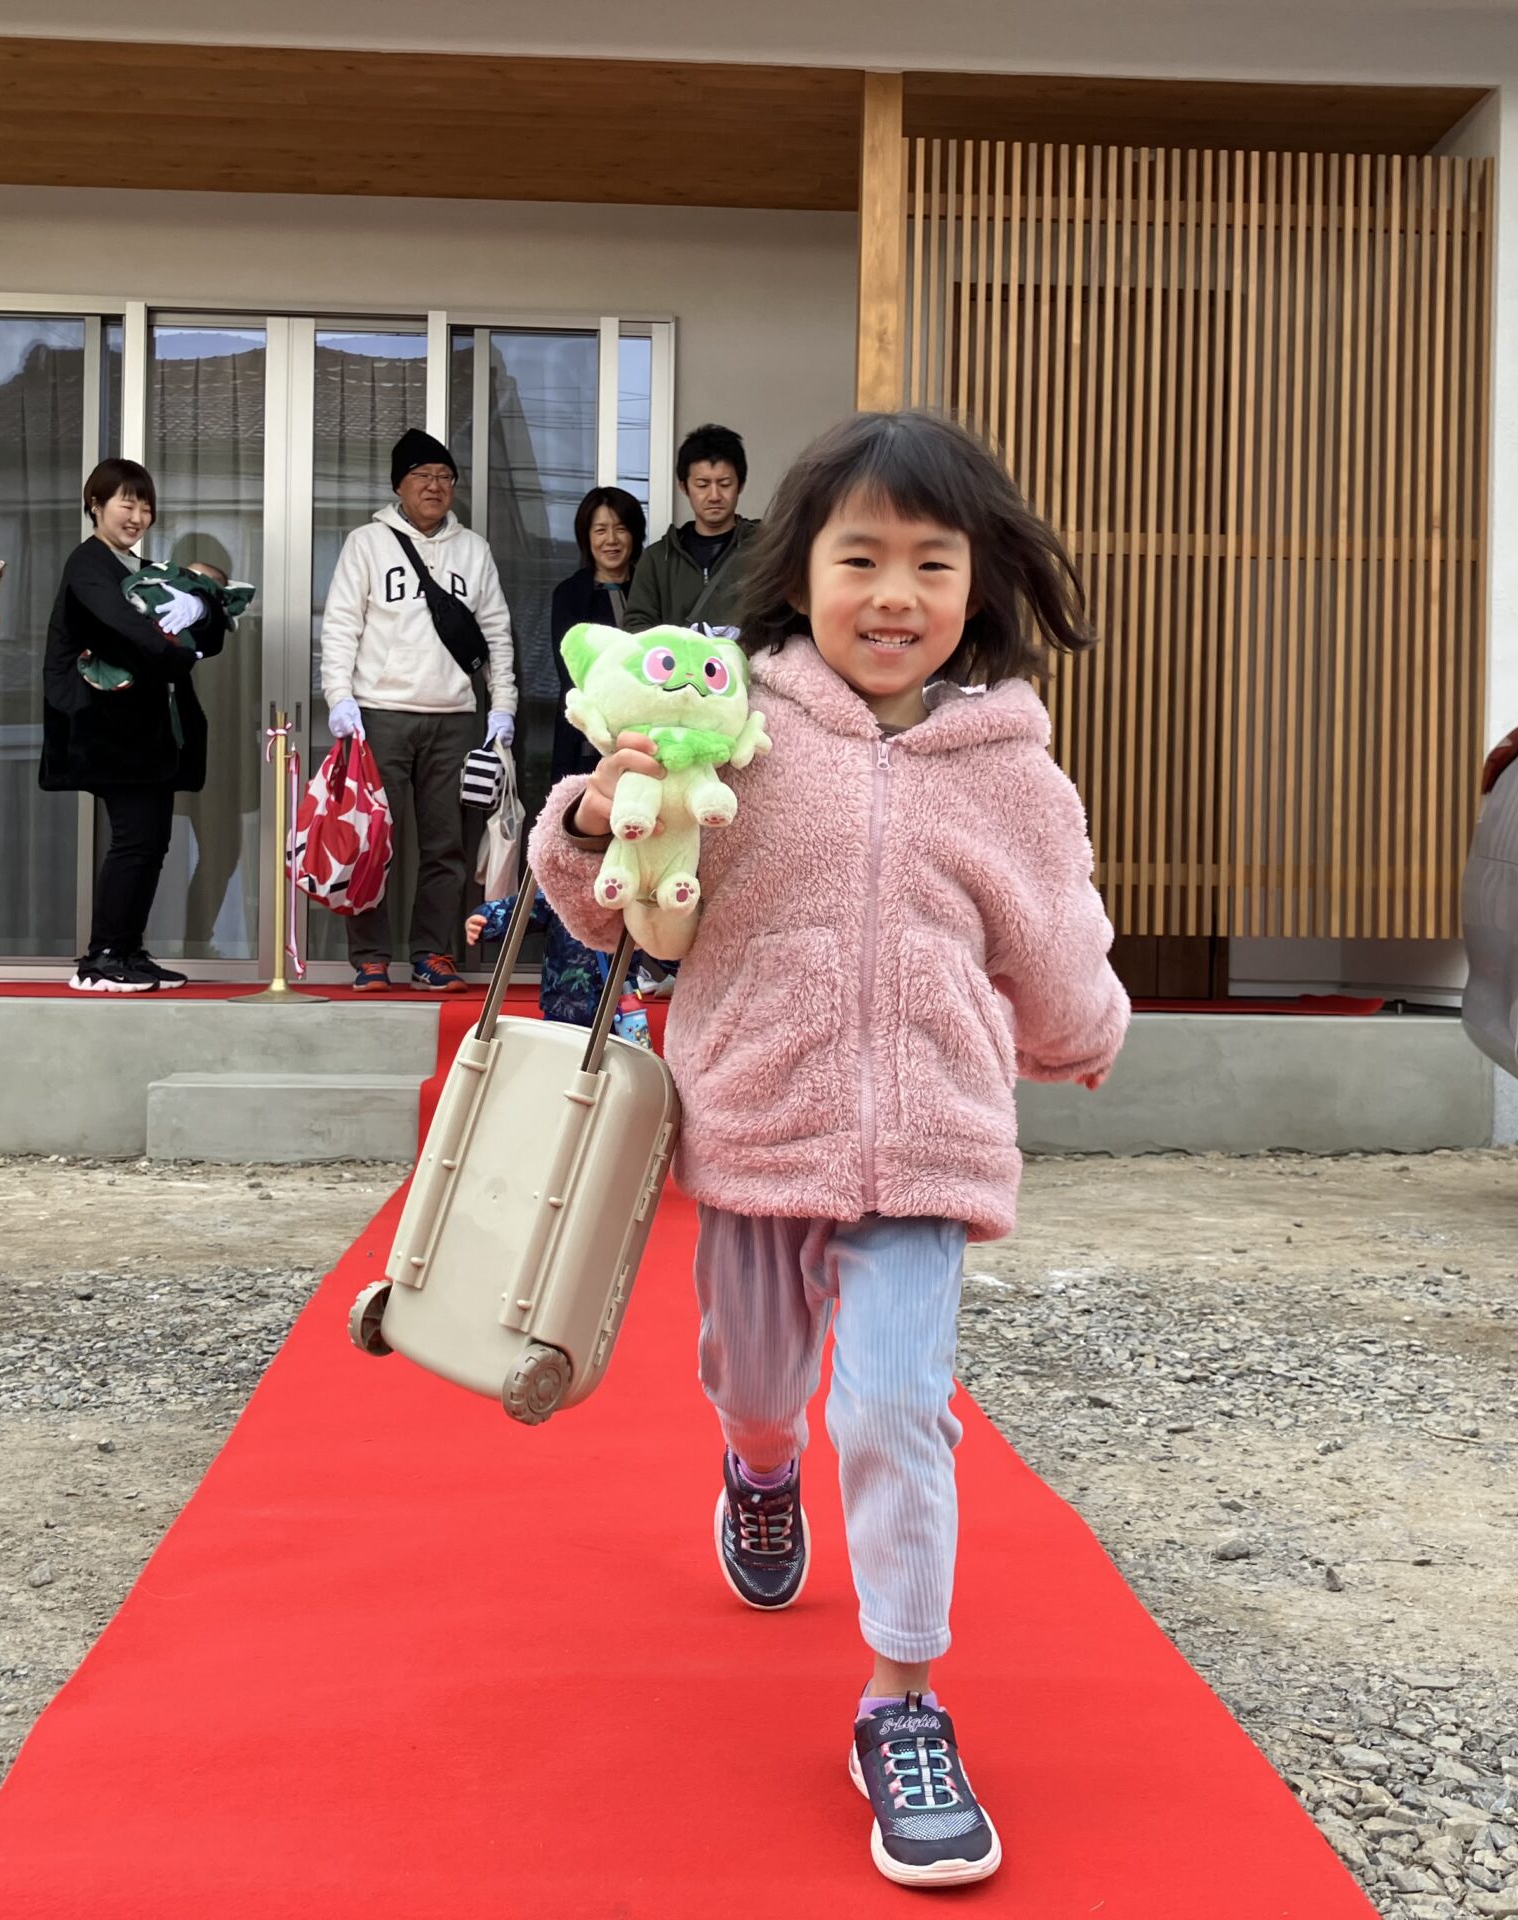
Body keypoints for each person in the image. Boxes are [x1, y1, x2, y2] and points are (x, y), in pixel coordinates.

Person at [529, 411, 1130, 1887]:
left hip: (928, 1148)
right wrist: (592, 813)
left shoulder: (1013, 770)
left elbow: (1057, 937)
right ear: (800, 574)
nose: (894, 594)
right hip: (753, 1129)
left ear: (978, 586)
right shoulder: (740, 723)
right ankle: (755, 1468)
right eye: (860, 556)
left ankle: (901, 1702)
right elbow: (616, 897)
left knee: (897, 1411)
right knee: (756, 1376)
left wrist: (1084, 1031)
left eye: (932, 562)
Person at [320, 428, 516, 993]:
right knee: (370, 839)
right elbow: (339, 628)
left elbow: (496, 635)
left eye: (444, 477)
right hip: (378, 714)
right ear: (399, 485)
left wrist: (500, 707)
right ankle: (371, 956)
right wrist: (340, 699)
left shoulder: (473, 550)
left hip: (455, 718)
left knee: (447, 844)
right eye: (422, 476)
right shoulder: (367, 544)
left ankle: (434, 953)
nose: (435, 486)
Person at [38, 457, 233, 993]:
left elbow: (212, 624)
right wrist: (180, 655)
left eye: (145, 505)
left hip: (143, 730)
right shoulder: (89, 564)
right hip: (107, 725)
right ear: (95, 505)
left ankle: (126, 949)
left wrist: (198, 611)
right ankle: (101, 956)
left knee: (150, 841)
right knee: (134, 840)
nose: (138, 515)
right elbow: (124, 628)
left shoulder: (137, 567)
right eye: (126, 502)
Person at [462, 891, 669, 1043]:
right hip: (562, 1007)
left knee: (615, 1075)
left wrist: (682, 963)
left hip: (619, 1009)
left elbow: (662, 939)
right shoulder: (562, 891)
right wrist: (486, 918)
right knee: (560, 1066)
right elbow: (524, 908)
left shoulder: (634, 895)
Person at [546, 486, 647, 781]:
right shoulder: (568, 595)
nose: (611, 540)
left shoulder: (650, 589)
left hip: (646, 733)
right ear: (586, 537)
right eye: (600, 530)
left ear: (635, 534)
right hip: (583, 738)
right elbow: (571, 671)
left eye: (621, 529)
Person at [622, 423, 757, 636]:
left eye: (724, 483)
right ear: (684, 487)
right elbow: (637, 628)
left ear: (740, 485)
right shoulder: (657, 559)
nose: (714, 495)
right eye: (702, 485)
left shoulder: (765, 550)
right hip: (680, 669)